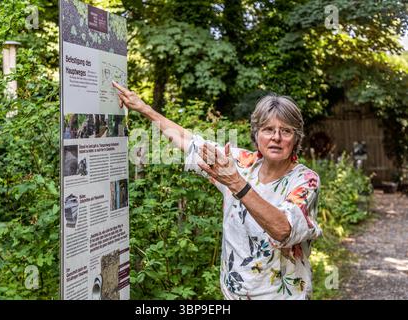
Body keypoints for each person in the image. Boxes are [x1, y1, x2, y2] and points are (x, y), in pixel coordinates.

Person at [112, 81, 322, 300]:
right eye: (268, 129)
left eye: (286, 131)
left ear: (296, 137)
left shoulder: (305, 180)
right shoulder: (240, 163)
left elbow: (283, 230)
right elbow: (188, 140)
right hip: (233, 295)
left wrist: (236, 183)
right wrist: (143, 108)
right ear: (257, 134)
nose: (276, 138)